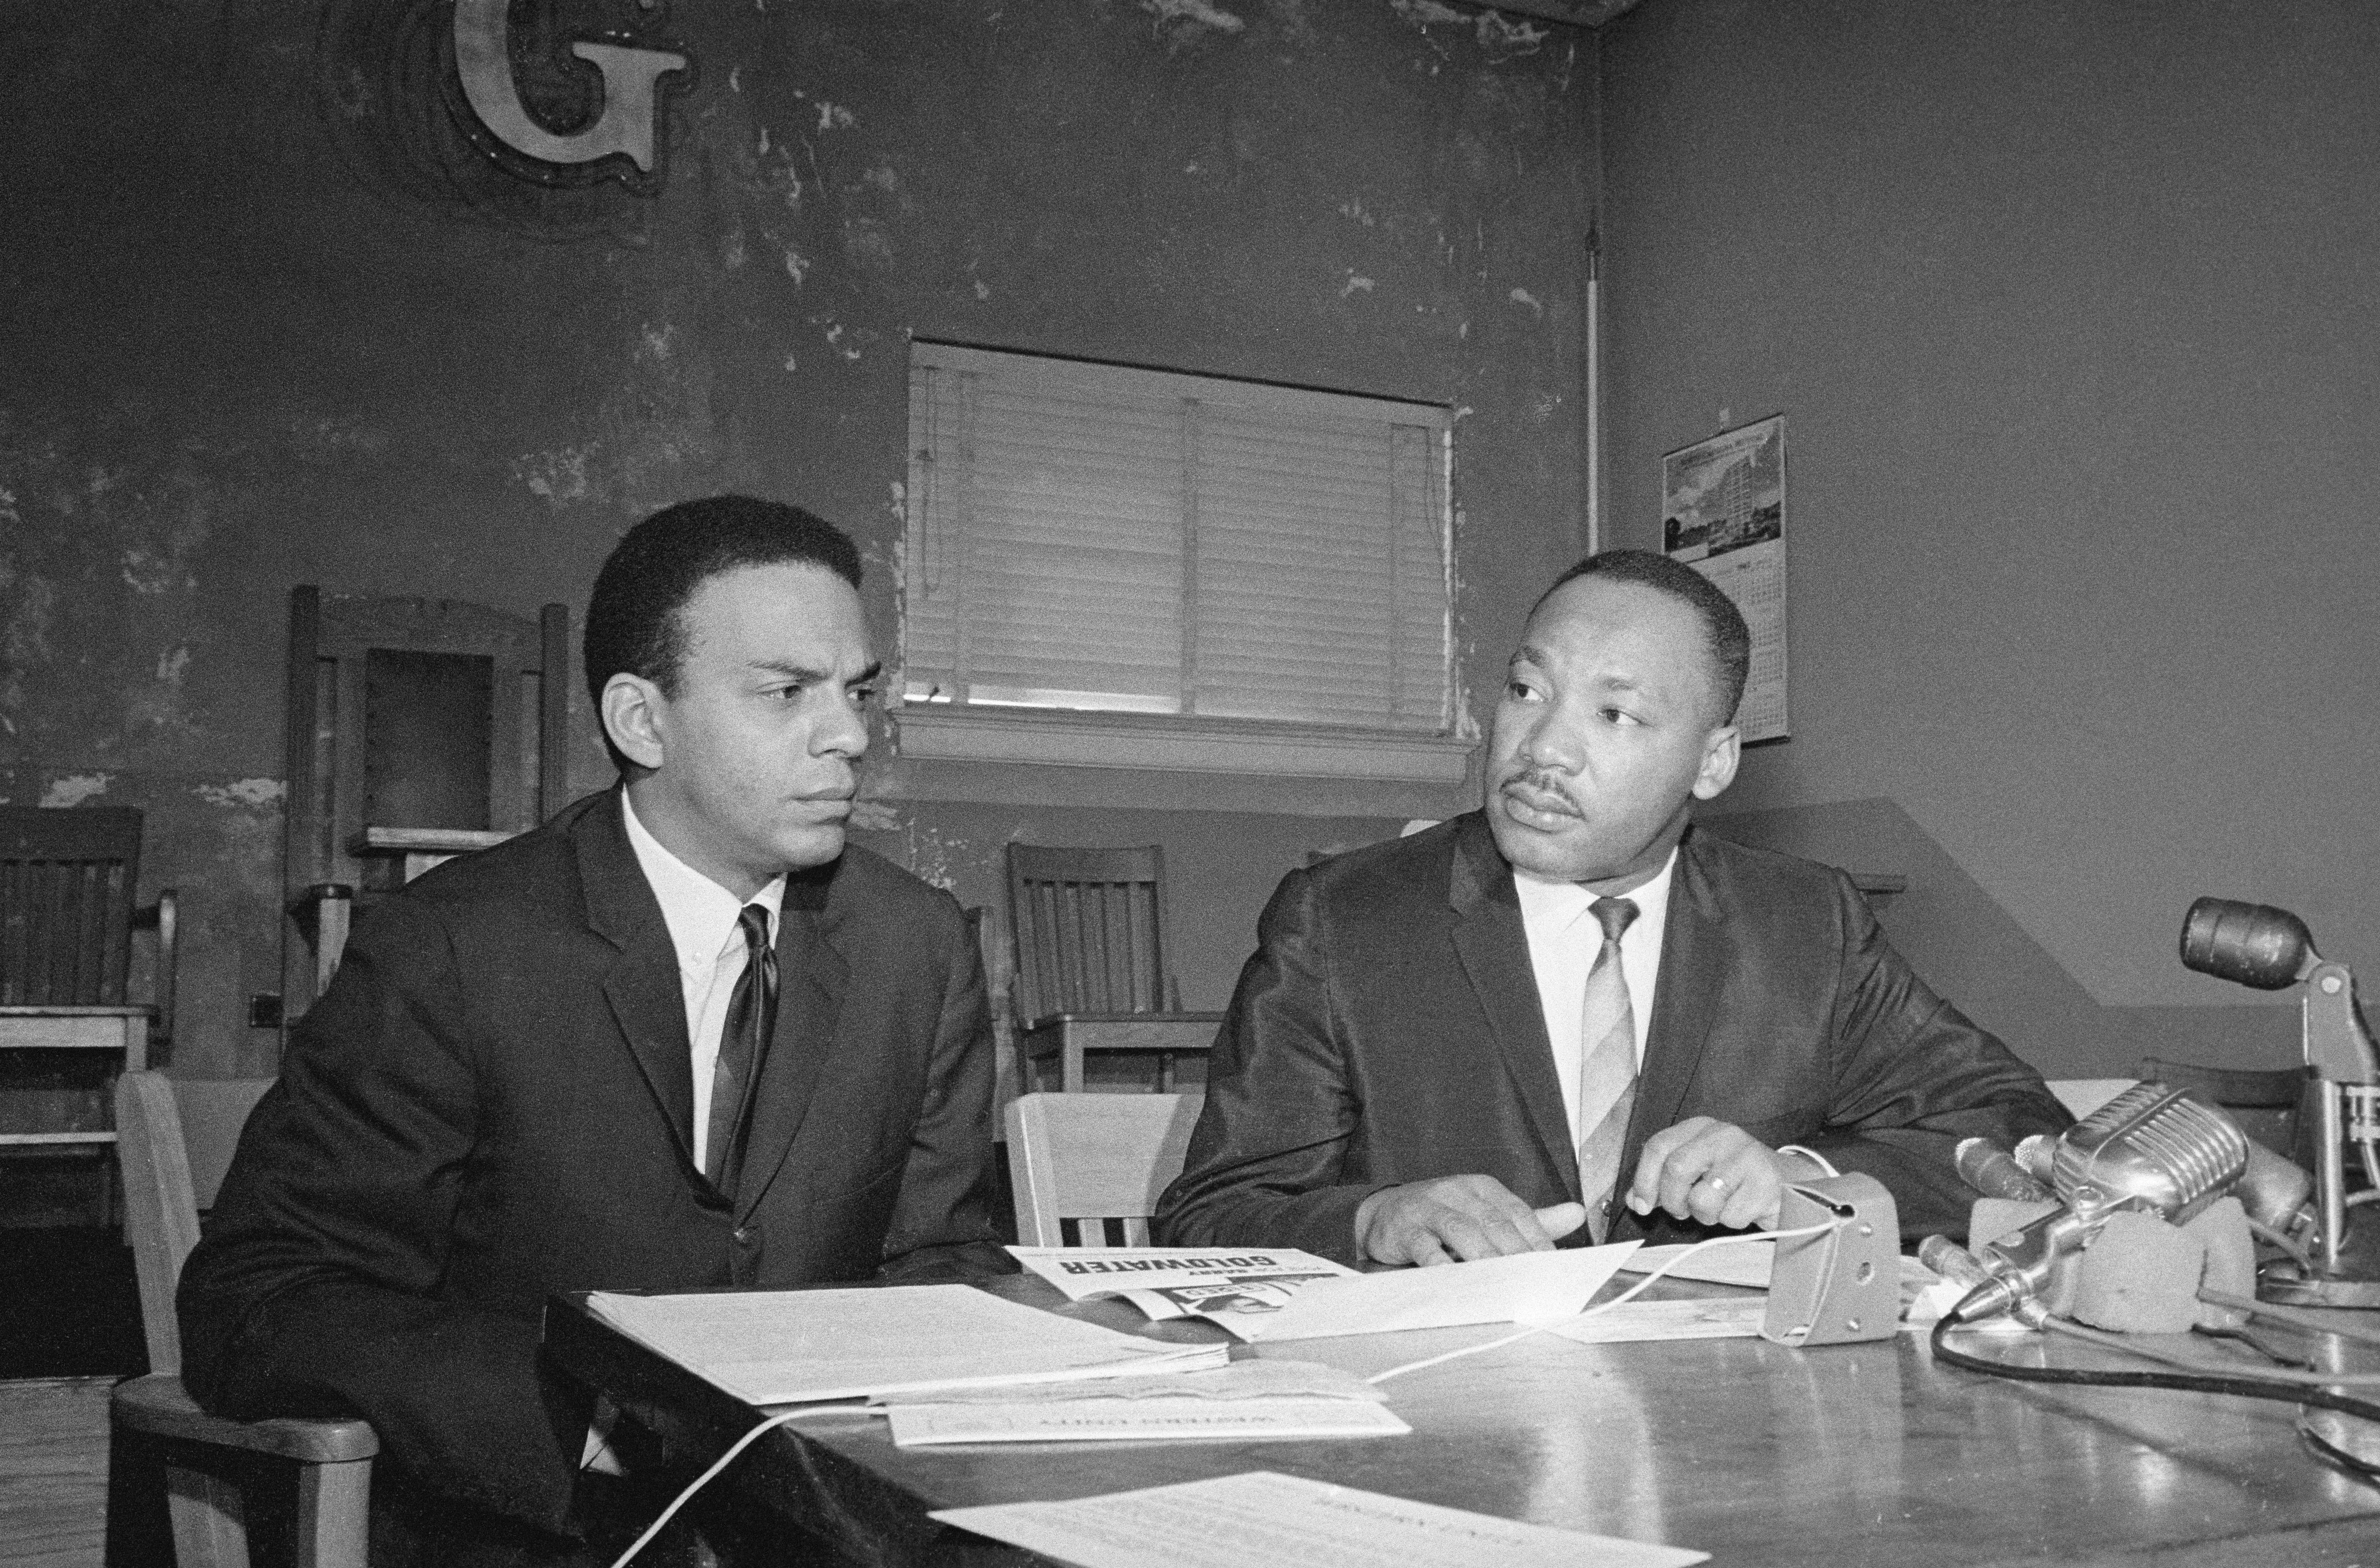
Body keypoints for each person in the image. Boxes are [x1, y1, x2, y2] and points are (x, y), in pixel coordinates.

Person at [180, 496, 1003, 1562]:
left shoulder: (917, 945)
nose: (848, 735)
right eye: (787, 692)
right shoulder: (456, 945)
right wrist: (597, 1423)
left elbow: (937, 1259)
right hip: (537, 1529)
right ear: (640, 720)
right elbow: (264, 1295)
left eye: (856, 692)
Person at [1155, 549, 2069, 1267]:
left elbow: (2021, 1135)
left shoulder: (1805, 927)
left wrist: (1803, 1177)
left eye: (1615, 715)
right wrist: (1370, 1221)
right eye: (1527, 690)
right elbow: (1211, 1215)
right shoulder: (1344, 921)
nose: (1544, 747)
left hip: (1721, 1444)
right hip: (1452, 1430)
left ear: (1713, 761)